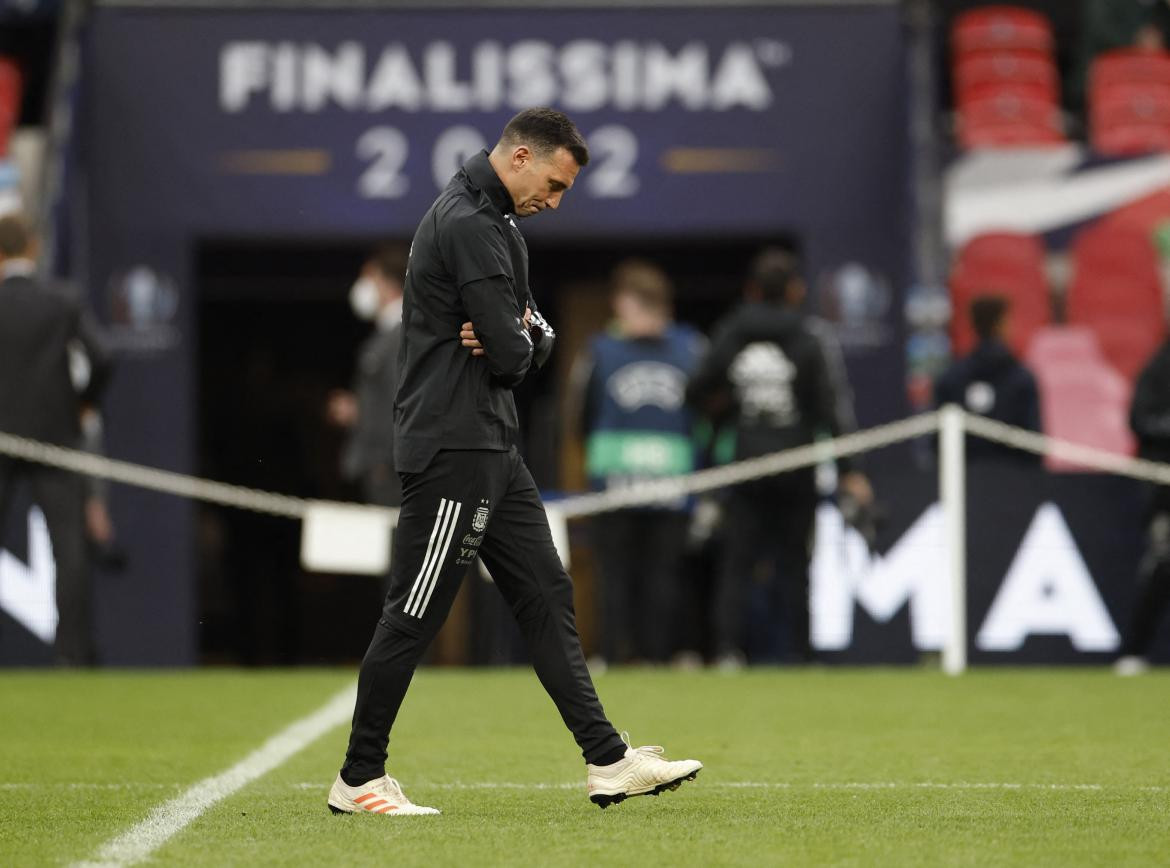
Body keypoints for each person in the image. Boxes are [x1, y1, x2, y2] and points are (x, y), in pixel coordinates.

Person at [327, 108, 702, 816]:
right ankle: (358, 778)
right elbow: (512, 350)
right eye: (554, 184)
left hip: (493, 443)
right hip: (454, 448)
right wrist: (519, 339)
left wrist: (521, 336)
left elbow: (534, 337)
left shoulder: (498, 224)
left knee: (546, 594)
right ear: (521, 156)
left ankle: (607, 759)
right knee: (413, 611)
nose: (555, 202)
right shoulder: (469, 222)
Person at [687, 248, 869, 667]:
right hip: (796, 465)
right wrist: (851, 471)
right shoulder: (809, 338)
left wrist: (728, 407)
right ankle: (800, 654)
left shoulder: (731, 333)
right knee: (794, 565)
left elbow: (696, 390)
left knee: (737, 563)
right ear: (794, 290)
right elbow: (829, 409)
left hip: (747, 464)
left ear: (753, 289)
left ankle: (729, 652)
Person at [569, 260, 704, 666]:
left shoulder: (687, 348)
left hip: (651, 484)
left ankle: (647, 655)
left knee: (653, 575)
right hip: (633, 484)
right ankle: (622, 653)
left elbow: (579, 417)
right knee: (624, 574)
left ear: (629, 302)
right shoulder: (606, 350)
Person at [0, 213, 110, 665]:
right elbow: (103, 355)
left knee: (69, 549)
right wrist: (83, 403)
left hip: (2, 439)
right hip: (55, 437)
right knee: (69, 549)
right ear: (33, 248)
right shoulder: (62, 300)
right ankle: (72, 658)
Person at [327, 244, 409, 509]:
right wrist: (359, 409)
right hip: (382, 470)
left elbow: (403, 405)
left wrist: (386, 464)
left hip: (390, 473)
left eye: (369, 277)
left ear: (387, 282)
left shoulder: (401, 336)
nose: (363, 286)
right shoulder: (386, 336)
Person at [1115, 335, 1170, 675]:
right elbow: (1140, 419)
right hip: (1164, 485)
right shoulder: (1159, 367)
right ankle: (1134, 650)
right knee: (1162, 563)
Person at [933, 294, 1042, 463]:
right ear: (1001, 324)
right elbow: (1035, 446)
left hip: (961, 482)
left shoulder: (949, 378)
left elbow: (937, 446)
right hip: (1015, 484)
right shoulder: (1023, 379)